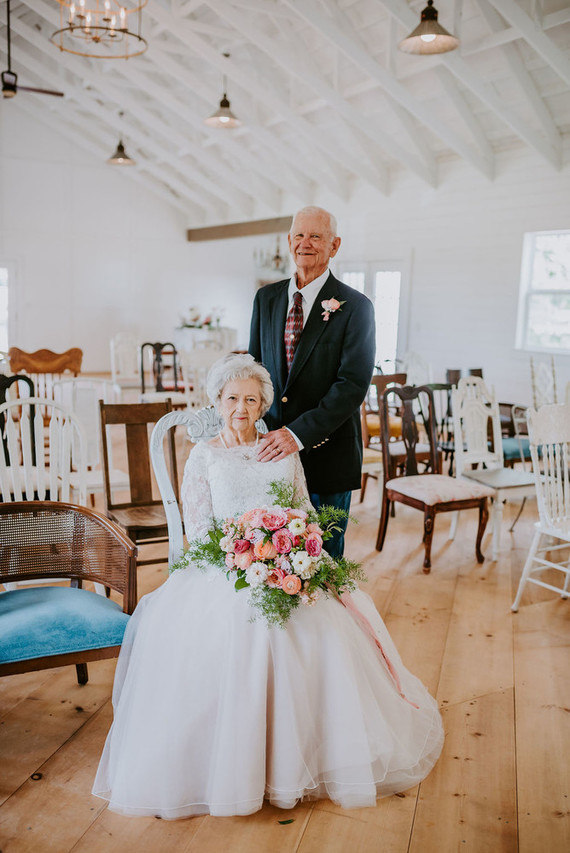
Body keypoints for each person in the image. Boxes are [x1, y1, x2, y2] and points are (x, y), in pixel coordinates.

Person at [93, 354, 443, 819]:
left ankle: (310, 754)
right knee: (250, 633)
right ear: (218, 401)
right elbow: (200, 532)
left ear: (263, 406)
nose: (242, 407)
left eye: (251, 399)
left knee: (322, 631)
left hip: (286, 562)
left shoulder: (282, 449)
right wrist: (247, 553)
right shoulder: (204, 455)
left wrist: (292, 551)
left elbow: (301, 509)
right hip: (224, 568)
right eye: (233, 398)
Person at [249, 206, 375, 558]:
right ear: (289, 242)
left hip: (328, 458)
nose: (306, 243)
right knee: (271, 560)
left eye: (316, 236)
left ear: (334, 246)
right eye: (299, 235)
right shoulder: (266, 299)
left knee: (323, 561)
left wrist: (297, 434)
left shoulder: (356, 307)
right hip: (269, 456)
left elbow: (352, 385)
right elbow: (255, 371)